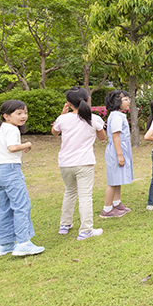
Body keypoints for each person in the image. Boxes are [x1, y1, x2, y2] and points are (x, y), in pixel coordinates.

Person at [0, 100, 44, 256]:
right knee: (21, 206)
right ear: (6, 116)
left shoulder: (2, 129)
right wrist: (27, 144)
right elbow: (12, 148)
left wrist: (0, 154)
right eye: (18, 113)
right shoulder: (12, 129)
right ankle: (23, 242)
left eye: (25, 112)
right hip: (11, 170)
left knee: (4, 208)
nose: (23, 116)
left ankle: (4, 244)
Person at [51, 87, 106, 240]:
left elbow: (54, 132)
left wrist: (62, 115)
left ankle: (64, 225)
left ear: (68, 103)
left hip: (65, 163)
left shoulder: (63, 119)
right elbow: (102, 138)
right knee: (85, 196)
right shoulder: (94, 119)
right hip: (84, 163)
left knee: (69, 192)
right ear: (88, 100)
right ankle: (86, 230)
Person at [101, 90, 134, 218]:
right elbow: (115, 136)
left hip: (122, 148)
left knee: (118, 178)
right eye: (125, 99)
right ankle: (107, 209)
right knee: (113, 180)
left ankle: (116, 202)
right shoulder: (115, 116)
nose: (129, 101)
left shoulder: (120, 115)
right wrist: (120, 155)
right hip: (116, 150)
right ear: (117, 102)